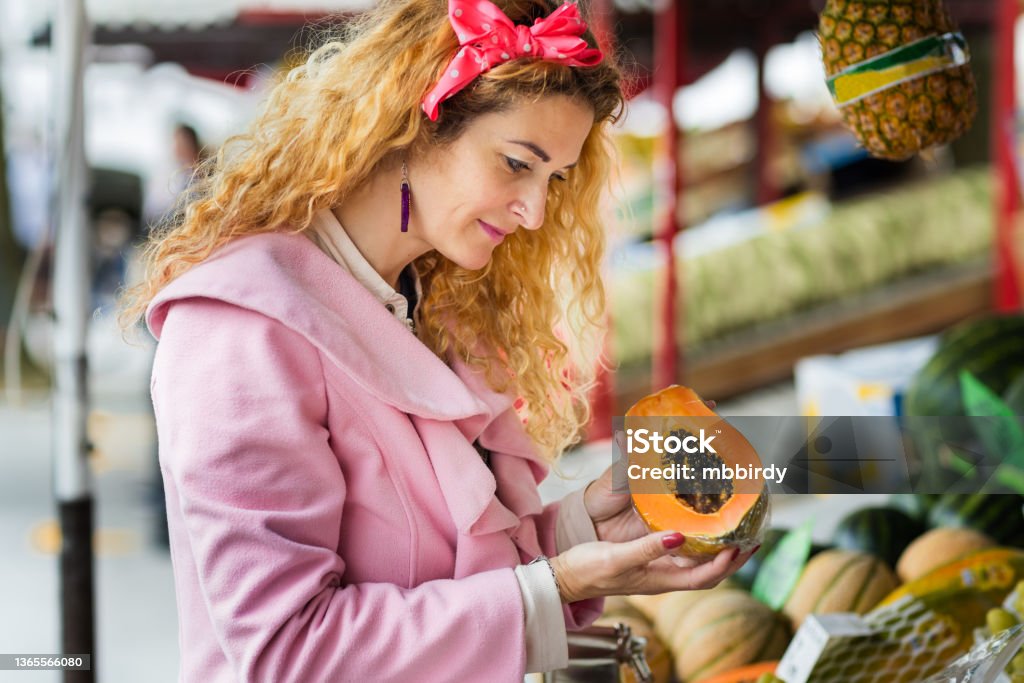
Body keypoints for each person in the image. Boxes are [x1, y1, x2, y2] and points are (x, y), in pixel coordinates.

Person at [118, 0, 757, 680]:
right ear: (416, 121)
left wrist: (583, 532)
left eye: (556, 179)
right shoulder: (241, 326)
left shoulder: (434, 298)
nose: (536, 212)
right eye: (517, 163)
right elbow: (290, 652)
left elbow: (449, 564)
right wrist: (559, 583)